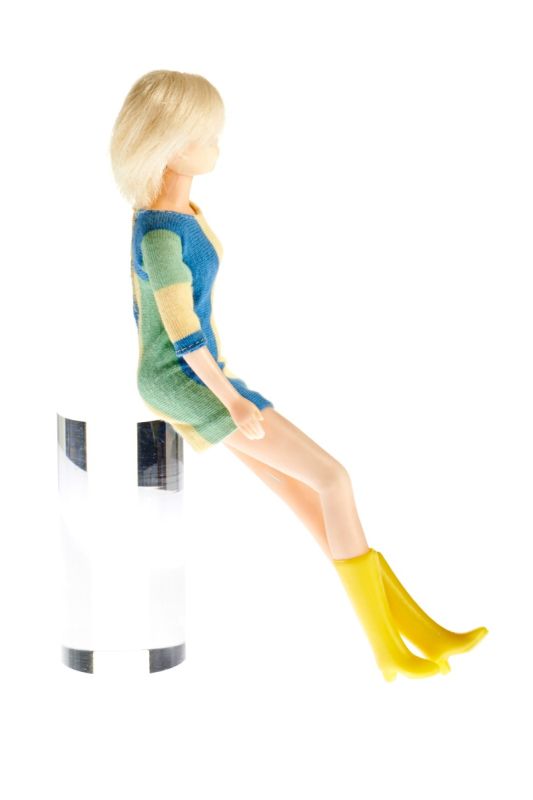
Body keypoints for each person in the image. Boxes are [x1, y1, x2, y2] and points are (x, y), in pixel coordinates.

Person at [110, 69, 488, 681]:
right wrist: (231, 398)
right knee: (333, 480)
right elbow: (183, 334)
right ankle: (389, 653)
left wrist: (225, 384)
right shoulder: (159, 232)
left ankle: (417, 633)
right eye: (204, 135)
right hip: (187, 376)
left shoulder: (176, 215)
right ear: (170, 145)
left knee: (308, 498)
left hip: (199, 373)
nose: (216, 145)